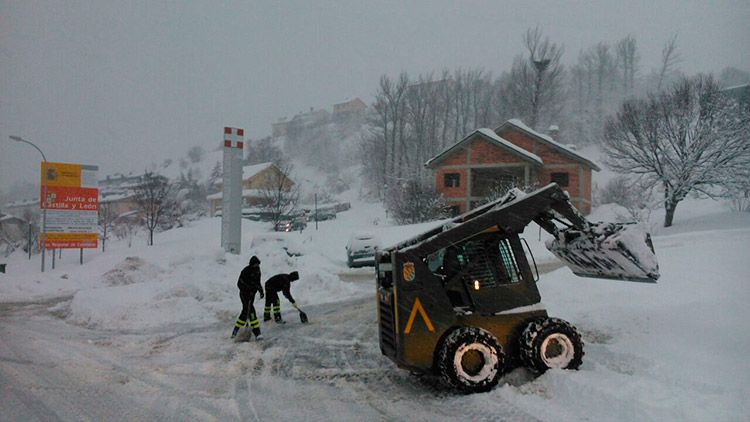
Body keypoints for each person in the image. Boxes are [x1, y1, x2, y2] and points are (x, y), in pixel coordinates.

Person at [231, 256, 264, 339]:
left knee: (245, 312)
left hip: (252, 294)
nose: (256, 266)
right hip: (244, 294)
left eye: (257, 264)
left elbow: (258, 282)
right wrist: (247, 289)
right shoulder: (245, 271)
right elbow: (239, 284)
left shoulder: (257, 270)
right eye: (255, 265)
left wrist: (260, 290)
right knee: (251, 311)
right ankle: (257, 333)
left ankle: (235, 331)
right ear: (251, 264)